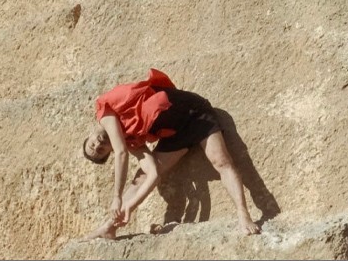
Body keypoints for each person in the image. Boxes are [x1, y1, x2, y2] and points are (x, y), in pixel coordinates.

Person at [81, 68, 261, 240]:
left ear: (89, 134)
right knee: (141, 177)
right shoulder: (130, 141)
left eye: (92, 144)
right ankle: (109, 227)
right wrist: (129, 206)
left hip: (196, 113)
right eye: (100, 150)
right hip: (177, 133)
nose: (98, 144)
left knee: (221, 161)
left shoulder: (104, 111)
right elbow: (153, 174)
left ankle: (243, 214)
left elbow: (122, 153)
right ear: (109, 150)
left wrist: (117, 197)